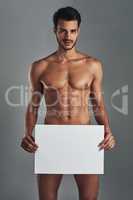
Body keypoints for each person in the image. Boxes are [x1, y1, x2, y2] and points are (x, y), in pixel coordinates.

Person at [21, 6, 116, 200]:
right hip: (51, 138)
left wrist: (107, 131)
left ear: (78, 31)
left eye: (73, 31)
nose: (68, 36)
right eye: (63, 30)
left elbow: (98, 104)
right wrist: (28, 134)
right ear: (55, 30)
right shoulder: (40, 67)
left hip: (85, 138)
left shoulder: (92, 65)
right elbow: (33, 106)